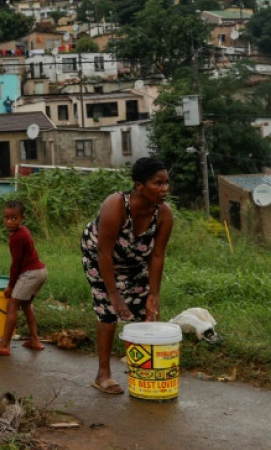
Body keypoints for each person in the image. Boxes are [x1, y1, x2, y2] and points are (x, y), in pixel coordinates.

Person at [82, 157, 173, 395]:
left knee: (149, 309)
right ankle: (103, 375)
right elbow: (104, 252)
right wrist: (114, 295)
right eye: (158, 183)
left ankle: (146, 369)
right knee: (108, 313)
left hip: (135, 261)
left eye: (166, 183)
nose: (165, 189)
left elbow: (157, 256)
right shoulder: (116, 205)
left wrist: (154, 293)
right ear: (139, 185)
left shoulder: (164, 214)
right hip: (100, 257)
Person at [0, 200, 48, 355]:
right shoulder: (23, 231)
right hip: (41, 271)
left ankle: (4, 344)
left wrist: (11, 286)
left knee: (12, 306)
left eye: (14, 218)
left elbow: (16, 265)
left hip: (30, 274)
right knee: (26, 306)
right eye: (6, 218)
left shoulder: (16, 238)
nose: (9, 222)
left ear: (22, 218)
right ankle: (34, 340)